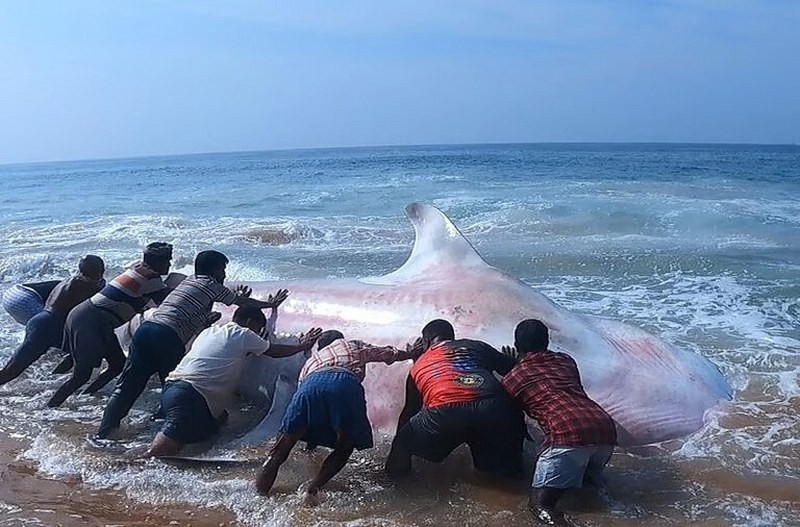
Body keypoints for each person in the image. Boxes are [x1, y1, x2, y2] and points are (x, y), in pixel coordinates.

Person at [95, 249, 288, 439]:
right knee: (174, 387)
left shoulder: (188, 282)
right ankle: (163, 434)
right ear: (215, 270)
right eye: (222, 270)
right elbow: (240, 302)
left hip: (146, 330)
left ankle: (104, 434)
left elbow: (198, 310)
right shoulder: (211, 284)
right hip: (168, 336)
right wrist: (270, 304)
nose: (224, 275)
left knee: (128, 386)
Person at [255, 329, 423, 501]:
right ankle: (312, 490)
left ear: (321, 347)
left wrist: (309, 443)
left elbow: (306, 404)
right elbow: (385, 353)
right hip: (344, 383)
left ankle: (259, 494)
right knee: (345, 446)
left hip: (309, 385)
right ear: (340, 339)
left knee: (280, 450)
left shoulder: (311, 361)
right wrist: (410, 353)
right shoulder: (351, 345)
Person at [146, 305, 321, 456]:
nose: (257, 334)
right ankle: (135, 465)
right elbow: (273, 351)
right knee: (161, 450)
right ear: (250, 322)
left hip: (173, 388)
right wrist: (302, 346)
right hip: (192, 395)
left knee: (217, 423)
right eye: (258, 329)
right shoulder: (242, 333)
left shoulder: (210, 332)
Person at [501, 319, 617, 526]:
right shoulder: (566, 360)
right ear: (547, 341)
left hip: (567, 433)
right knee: (589, 488)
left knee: (541, 506)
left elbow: (512, 418)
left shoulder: (513, 378)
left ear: (517, 346)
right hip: (604, 428)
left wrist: (513, 367)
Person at [385, 319, 524, 480]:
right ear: (452, 337)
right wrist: (513, 360)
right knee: (502, 474)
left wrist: (401, 439)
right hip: (492, 407)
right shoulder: (475, 346)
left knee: (402, 445)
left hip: (445, 411)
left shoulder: (418, 366)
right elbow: (515, 370)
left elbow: (410, 411)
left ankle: (396, 484)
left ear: (425, 342)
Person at [46, 243, 175, 407]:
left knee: (117, 365)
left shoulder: (138, 269)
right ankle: (51, 406)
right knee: (81, 375)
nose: (169, 264)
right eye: (167, 261)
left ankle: (86, 395)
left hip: (89, 317)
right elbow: (170, 300)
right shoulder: (150, 279)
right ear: (157, 263)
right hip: (91, 320)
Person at [0, 256, 105, 387]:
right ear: (101, 271)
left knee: (13, 367)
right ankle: (58, 378)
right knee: (13, 370)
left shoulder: (71, 281)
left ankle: (56, 376)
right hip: (41, 321)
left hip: (35, 316)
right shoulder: (88, 286)